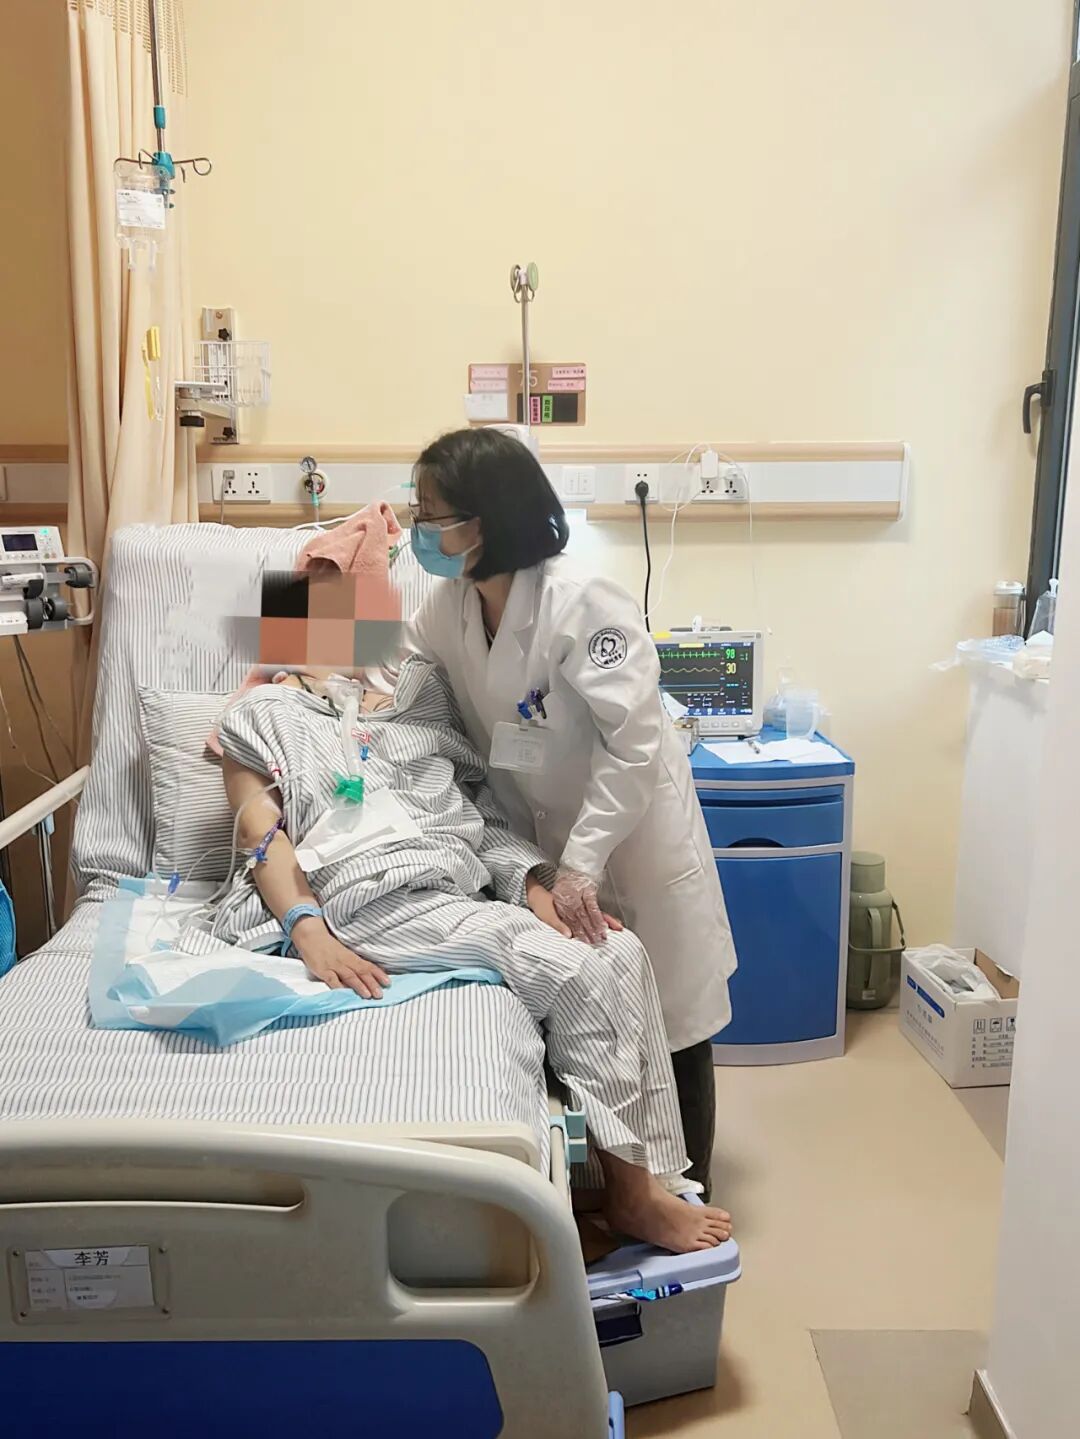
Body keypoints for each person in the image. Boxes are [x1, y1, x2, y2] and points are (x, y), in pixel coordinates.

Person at [209, 659, 732, 1254]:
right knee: (578, 971)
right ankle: (633, 1198)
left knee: (617, 949)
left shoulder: (421, 697)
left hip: (455, 884)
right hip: (370, 896)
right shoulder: (265, 712)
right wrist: (308, 929)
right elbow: (260, 835)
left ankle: (650, 1178)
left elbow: (479, 817)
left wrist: (533, 886)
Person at [404, 427, 738, 1198]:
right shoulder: (452, 602)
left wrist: (584, 862)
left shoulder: (583, 601)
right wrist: (298, 668)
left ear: (482, 522)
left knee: (670, 1025)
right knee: (589, 1020)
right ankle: (613, 1195)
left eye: (428, 513)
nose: (416, 528)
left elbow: (636, 743)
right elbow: (398, 661)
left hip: (632, 840)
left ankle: (691, 1188)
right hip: (540, 840)